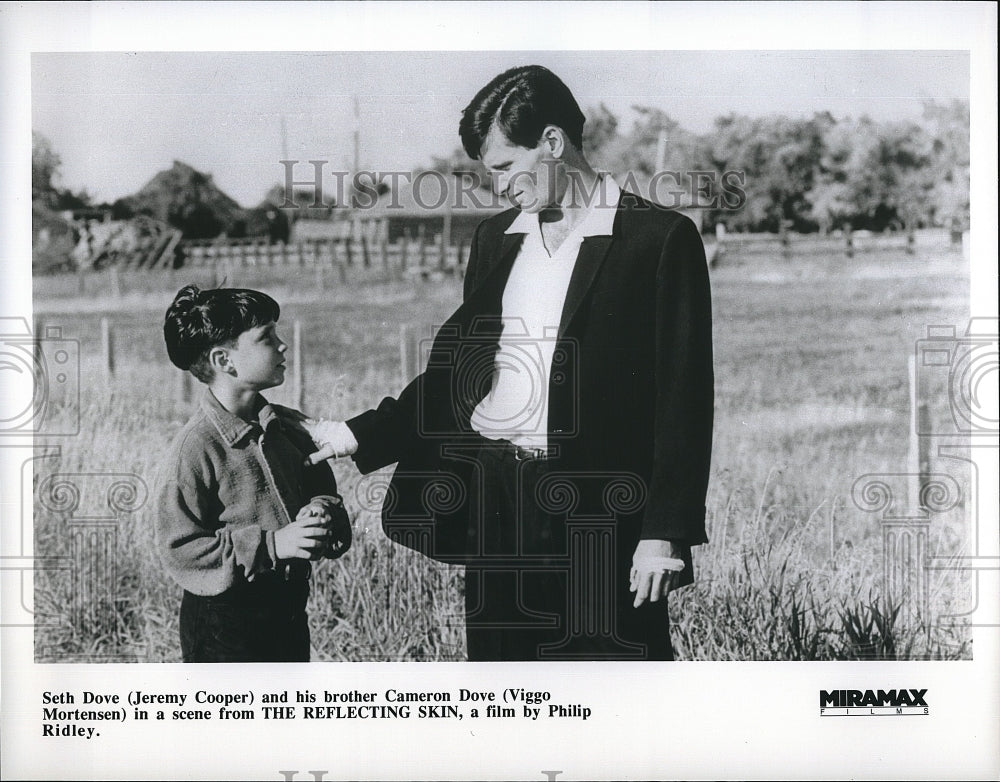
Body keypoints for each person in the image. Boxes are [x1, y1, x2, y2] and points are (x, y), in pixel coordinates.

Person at [305, 65, 713, 661]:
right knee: (505, 692)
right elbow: (459, 376)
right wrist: (353, 434)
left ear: (552, 143)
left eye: (504, 167)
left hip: (602, 508)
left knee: (615, 695)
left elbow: (684, 398)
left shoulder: (659, 238)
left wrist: (664, 533)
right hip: (497, 499)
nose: (498, 186)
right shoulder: (498, 238)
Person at [156, 285, 351, 663]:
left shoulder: (287, 429)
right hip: (224, 625)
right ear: (224, 361)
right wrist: (274, 545)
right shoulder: (195, 448)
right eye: (267, 338)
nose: (283, 346)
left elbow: (323, 490)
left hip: (289, 613)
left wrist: (320, 512)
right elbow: (180, 550)